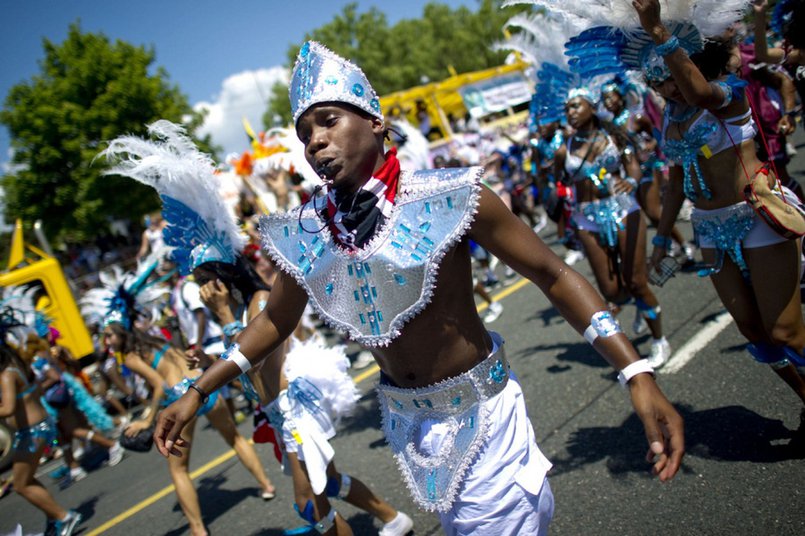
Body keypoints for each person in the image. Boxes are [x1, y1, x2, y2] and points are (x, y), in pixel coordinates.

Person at [153, 41, 683, 535]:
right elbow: (274, 321)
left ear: (377, 122)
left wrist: (635, 371)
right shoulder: (308, 230)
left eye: (328, 120)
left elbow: (553, 273)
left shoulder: (451, 196)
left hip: (484, 418)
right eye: (304, 134)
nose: (314, 141)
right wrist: (200, 390)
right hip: (409, 429)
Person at [621, 0, 805, 404]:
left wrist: (657, 31)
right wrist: (661, 239)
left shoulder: (728, 93)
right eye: (657, 83)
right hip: (708, 228)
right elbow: (675, 182)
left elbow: (700, 93)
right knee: (753, 330)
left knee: (785, 332)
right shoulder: (669, 118)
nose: (668, 89)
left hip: (756, 213)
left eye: (671, 77)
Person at [553, 89, 672, 367]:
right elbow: (559, 182)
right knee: (611, 292)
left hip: (622, 211)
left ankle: (659, 340)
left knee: (636, 283)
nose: (570, 112)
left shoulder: (614, 136)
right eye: (567, 108)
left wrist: (631, 181)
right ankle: (639, 306)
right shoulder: (564, 149)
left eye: (575, 106)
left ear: (592, 107)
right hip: (586, 219)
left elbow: (634, 168)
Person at [0, 307, 82, 536]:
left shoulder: (6, 374)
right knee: (25, 479)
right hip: (36, 428)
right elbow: (32, 388)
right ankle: (55, 518)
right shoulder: (16, 367)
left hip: (34, 431)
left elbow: (7, 408)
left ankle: (64, 517)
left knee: (20, 484)